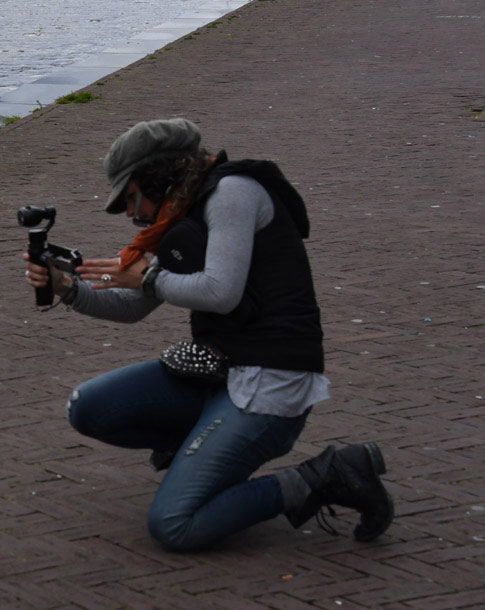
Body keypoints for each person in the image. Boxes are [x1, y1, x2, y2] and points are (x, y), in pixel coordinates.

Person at [23, 117, 393, 552]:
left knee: (175, 524)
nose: (130, 214)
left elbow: (221, 292)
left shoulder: (233, 193)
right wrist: (66, 288)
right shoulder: (178, 216)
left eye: (129, 198)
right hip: (219, 372)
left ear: (156, 177)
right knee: (88, 407)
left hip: (270, 382)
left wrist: (147, 279)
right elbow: (135, 306)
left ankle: (324, 476)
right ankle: (201, 450)